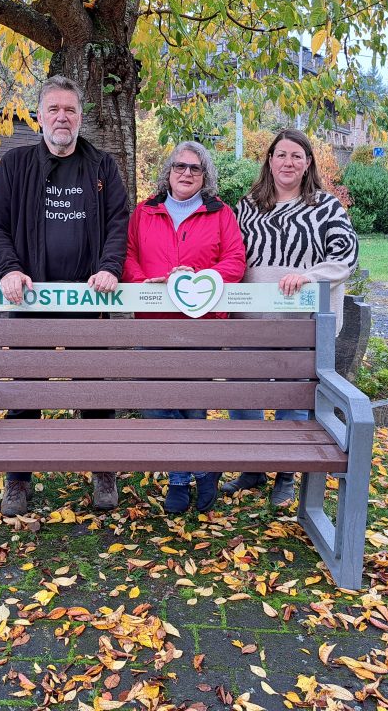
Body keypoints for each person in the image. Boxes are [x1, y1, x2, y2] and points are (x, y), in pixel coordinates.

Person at [0, 75, 130, 517]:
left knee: (93, 390)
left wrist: (108, 267)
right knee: (26, 391)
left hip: (89, 302)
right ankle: (18, 480)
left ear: (80, 117)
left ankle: (102, 471)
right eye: (54, 109)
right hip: (31, 303)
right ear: (40, 116)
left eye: (70, 110)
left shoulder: (102, 166)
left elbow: (119, 223)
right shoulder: (16, 165)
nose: (62, 117)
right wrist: (9, 270)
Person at [224, 128, 359, 506]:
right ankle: (252, 466)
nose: (288, 162)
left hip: (299, 321)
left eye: (297, 156)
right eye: (281, 155)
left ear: (308, 163)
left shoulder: (326, 206)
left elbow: (346, 257)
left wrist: (309, 275)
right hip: (250, 317)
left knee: (293, 396)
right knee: (245, 395)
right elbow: (230, 253)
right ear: (270, 160)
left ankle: (286, 471)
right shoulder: (247, 205)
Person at [122, 141, 246, 513]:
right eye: (180, 166)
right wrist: (147, 283)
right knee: (155, 399)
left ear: (205, 175)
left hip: (202, 323)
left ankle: (197, 475)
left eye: (195, 168)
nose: (187, 173)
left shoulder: (220, 213)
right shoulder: (145, 211)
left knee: (193, 402)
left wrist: (200, 280)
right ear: (169, 171)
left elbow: (235, 260)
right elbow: (128, 256)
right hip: (154, 322)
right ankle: (187, 473)